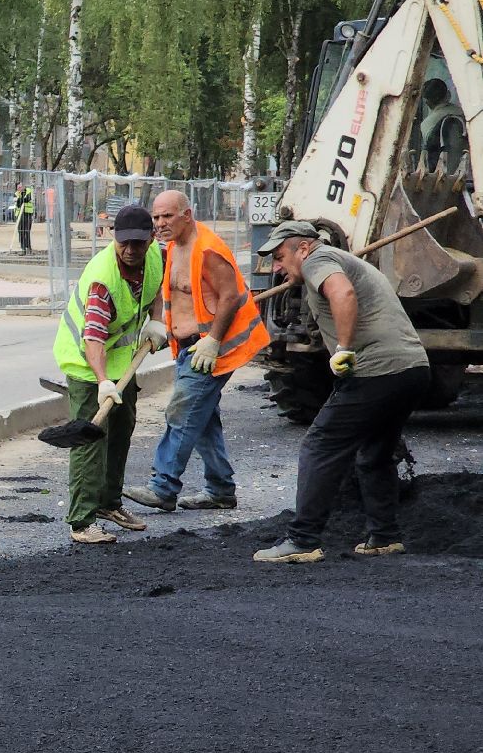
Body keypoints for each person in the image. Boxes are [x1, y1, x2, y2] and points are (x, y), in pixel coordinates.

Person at [253, 221, 431, 562]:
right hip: (412, 369)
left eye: (279, 257)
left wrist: (344, 348)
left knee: (320, 446)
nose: (276, 267)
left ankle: (302, 539)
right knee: (374, 453)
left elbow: (343, 293)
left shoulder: (318, 260)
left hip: (376, 371)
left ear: (302, 248)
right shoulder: (338, 259)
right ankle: (384, 536)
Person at [122, 190, 269, 515]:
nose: (160, 223)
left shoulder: (208, 249)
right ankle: (220, 489)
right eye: (156, 217)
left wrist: (213, 340)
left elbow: (230, 296)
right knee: (202, 418)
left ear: (186, 215)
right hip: (189, 346)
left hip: (211, 349)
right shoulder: (174, 245)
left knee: (182, 413)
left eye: (167, 216)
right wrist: (162, 326)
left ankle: (163, 487)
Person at [52, 205, 169, 544]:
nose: (130, 250)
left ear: (151, 239)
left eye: (138, 243)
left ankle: (109, 504)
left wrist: (157, 320)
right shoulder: (103, 280)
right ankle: (81, 521)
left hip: (122, 362)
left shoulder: (156, 256)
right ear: (113, 238)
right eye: (124, 243)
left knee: (121, 429)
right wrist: (103, 381)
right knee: (91, 440)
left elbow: (156, 288)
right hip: (86, 364)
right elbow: (92, 338)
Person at [14, 182, 36, 254]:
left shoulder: (29, 191)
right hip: (19, 215)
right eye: (18, 187)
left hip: (28, 213)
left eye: (21, 186)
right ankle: (23, 248)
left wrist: (22, 199)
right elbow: (18, 204)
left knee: (27, 231)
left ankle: (28, 247)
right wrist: (22, 199)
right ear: (17, 188)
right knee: (21, 231)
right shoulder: (16, 194)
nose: (20, 188)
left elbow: (28, 199)